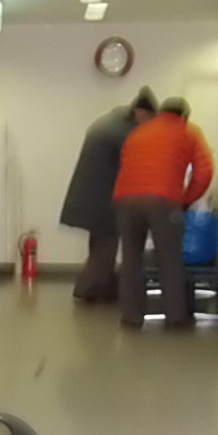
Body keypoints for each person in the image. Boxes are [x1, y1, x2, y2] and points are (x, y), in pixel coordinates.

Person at [112, 97, 213, 329]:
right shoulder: (189, 131)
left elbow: (125, 164)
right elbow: (204, 171)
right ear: (184, 115)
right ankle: (176, 317)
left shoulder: (138, 132)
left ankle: (131, 317)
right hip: (163, 199)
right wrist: (186, 199)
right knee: (169, 259)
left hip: (125, 199)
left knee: (131, 258)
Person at [59, 87, 158, 303]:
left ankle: (105, 287)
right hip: (101, 198)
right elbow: (134, 164)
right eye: (150, 119)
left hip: (91, 196)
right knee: (105, 247)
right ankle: (86, 290)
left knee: (101, 246)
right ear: (141, 113)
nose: (150, 124)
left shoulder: (111, 122)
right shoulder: (121, 132)